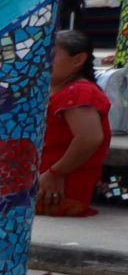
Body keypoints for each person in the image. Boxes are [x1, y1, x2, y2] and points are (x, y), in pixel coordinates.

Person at [39, 30, 113, 217]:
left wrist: (54, 173)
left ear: (78, 60)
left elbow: (89, 138)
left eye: (51, 55)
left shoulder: (79, 92)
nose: (42, 61)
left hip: (58, 190)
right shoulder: (58, 90)